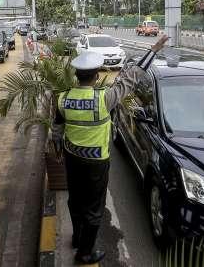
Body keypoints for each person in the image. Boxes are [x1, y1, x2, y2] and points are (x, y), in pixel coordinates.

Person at [52, 34, 169, 264]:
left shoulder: (63, 99)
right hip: (96, 162)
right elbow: (133, 77)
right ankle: (85, 252)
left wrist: (57, 147)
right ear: (96, 76)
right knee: (94, 207)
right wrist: (154, 49)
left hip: (71, 158)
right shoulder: (104, 99)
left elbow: (57, 128)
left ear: (77, 75)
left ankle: (77, 238)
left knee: (75, 200)